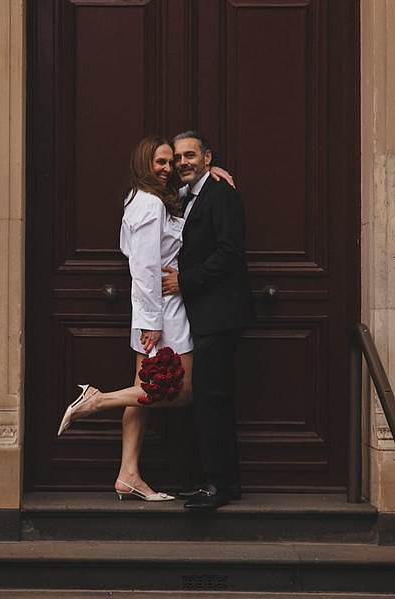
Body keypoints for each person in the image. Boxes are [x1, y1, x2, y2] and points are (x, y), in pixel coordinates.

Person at [57, 135, 233, 502]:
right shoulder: (150, 205)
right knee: (181, 392)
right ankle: (97, 400)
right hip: (162, 314)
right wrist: (152, 322)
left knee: (142, 393)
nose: (169, 168)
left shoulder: (151, 199)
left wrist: (210, 170)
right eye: (161, 163)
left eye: (172, 162)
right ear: (143, 165)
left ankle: (128, 473)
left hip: (155, 312)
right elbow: (145, 268)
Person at [162, 130, 255, 509]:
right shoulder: (187, 196)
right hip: (206, 316)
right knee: (212, 398)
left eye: (190, 156)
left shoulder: (222, 194)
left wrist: (185, 280)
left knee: (212, 399)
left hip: (220, 315)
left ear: (207, 157)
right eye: (179, 157)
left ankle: (216, 487)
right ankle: (223, 483)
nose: (183, 162)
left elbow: (230, 252)